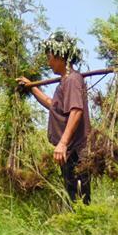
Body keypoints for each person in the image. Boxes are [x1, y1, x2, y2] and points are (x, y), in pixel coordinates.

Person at [16, 31, 92, 205]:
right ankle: (76, 231)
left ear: (60, 57)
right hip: (69, 153)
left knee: (79, 201)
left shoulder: (73, 80)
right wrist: (32, 88)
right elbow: (53, 105)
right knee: (73, 198)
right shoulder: (65, 82)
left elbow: (76, 111)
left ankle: (84, 232)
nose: (48, 62)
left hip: (76, 153)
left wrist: (63, 143)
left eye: (50, 57)